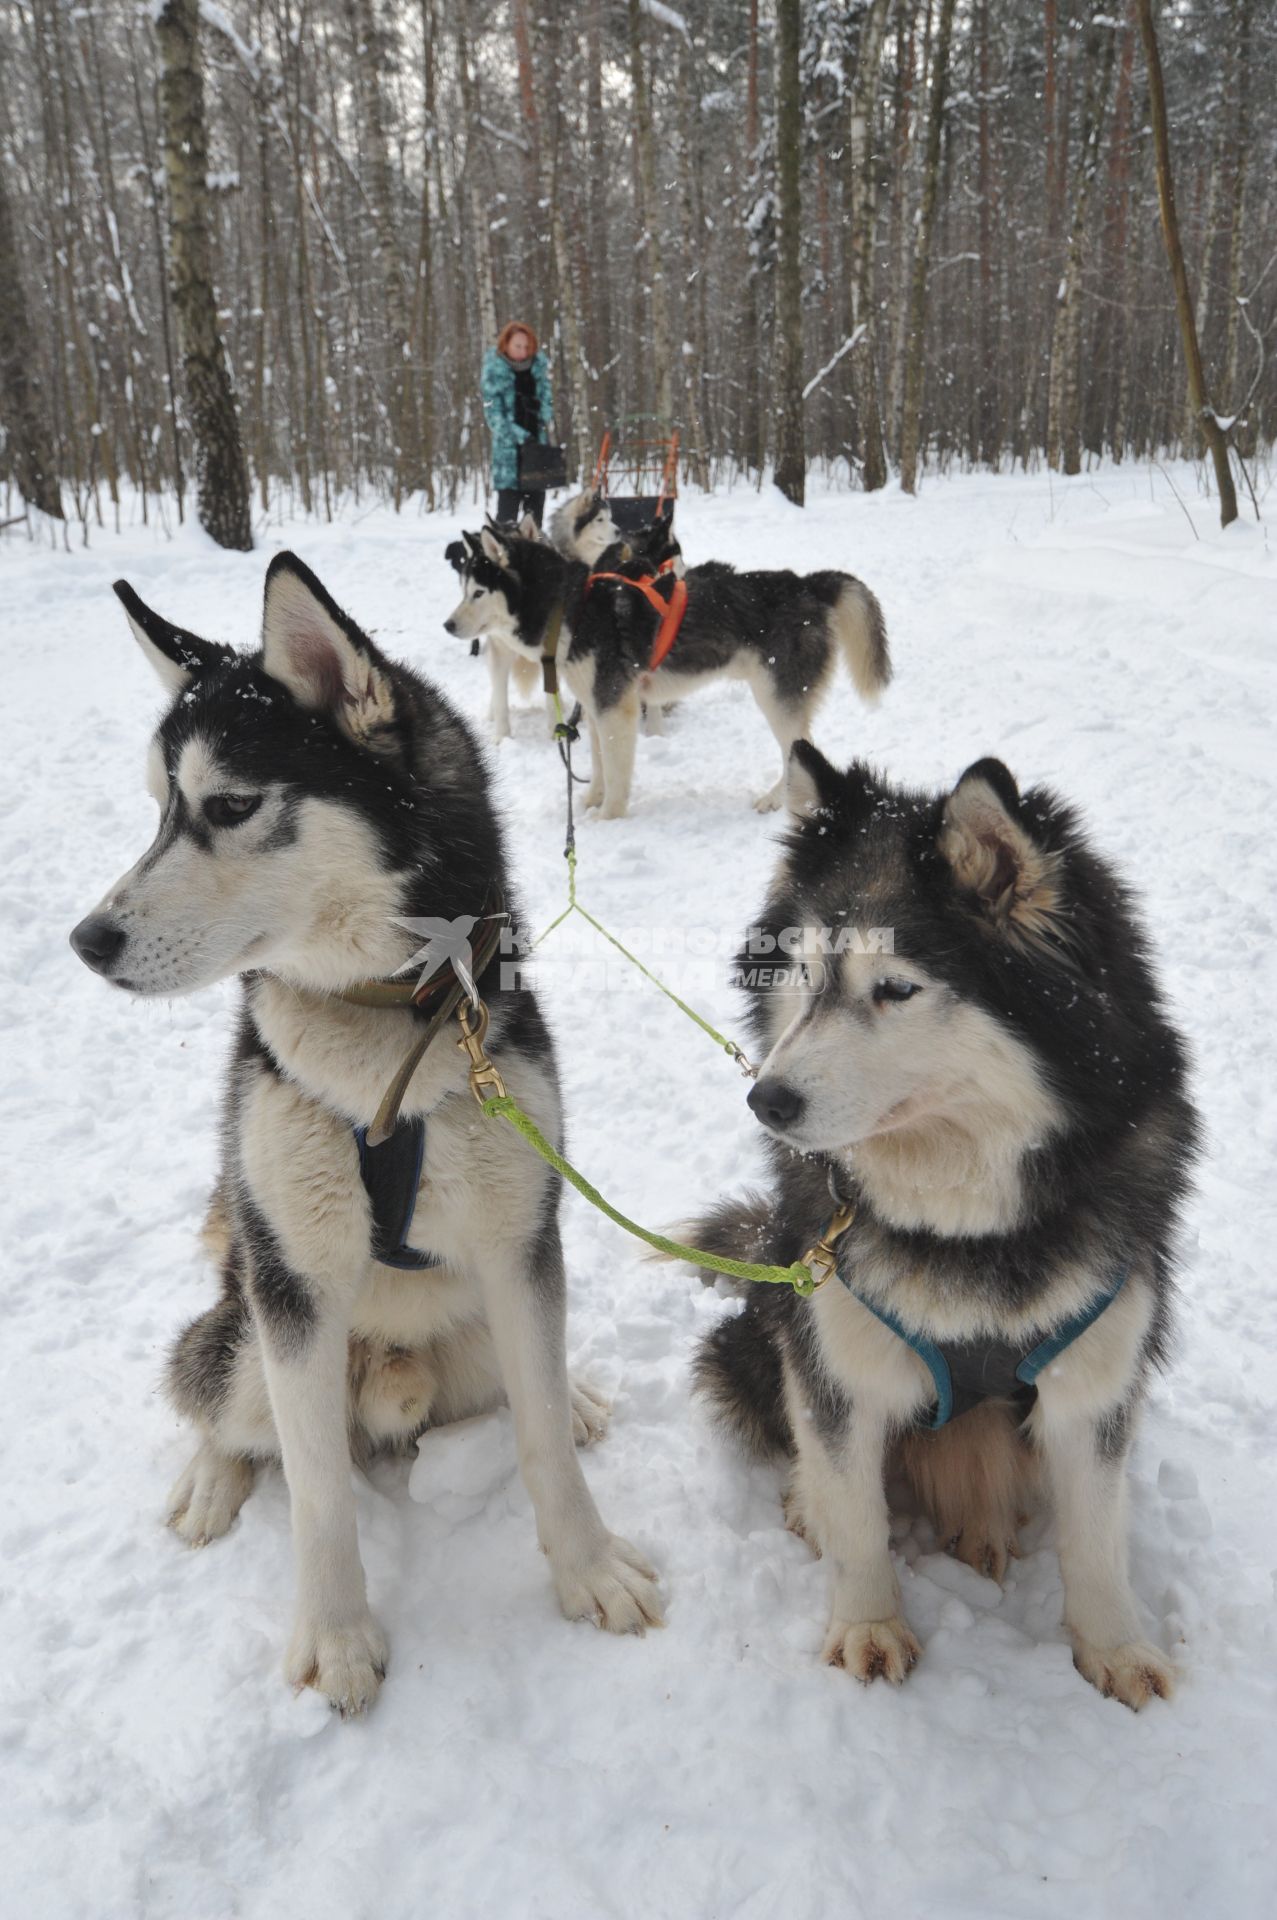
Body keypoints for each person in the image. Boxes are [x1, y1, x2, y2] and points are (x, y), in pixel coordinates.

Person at [481, 321, 554, 526]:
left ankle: (534, 554)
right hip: (509, 455)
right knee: (507, 518)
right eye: (518, 346)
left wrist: (544, 417)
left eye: (526, 346)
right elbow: (494, 415)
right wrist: (521, 436)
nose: (523, 351)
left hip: (536, 451)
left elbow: (547, 399)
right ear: (506, 345)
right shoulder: (494, 371)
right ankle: (502, 556)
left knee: (535, 517)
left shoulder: (538, 369)